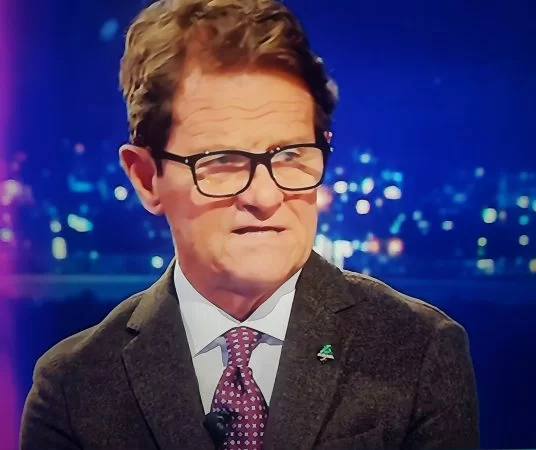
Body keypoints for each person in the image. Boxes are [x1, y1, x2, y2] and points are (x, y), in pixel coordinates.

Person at [20, 0, 479, 448]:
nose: (264, 196)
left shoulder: (417, 352)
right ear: (145, 178)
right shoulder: (73, 389)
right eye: (222, 160)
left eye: (292, 155)